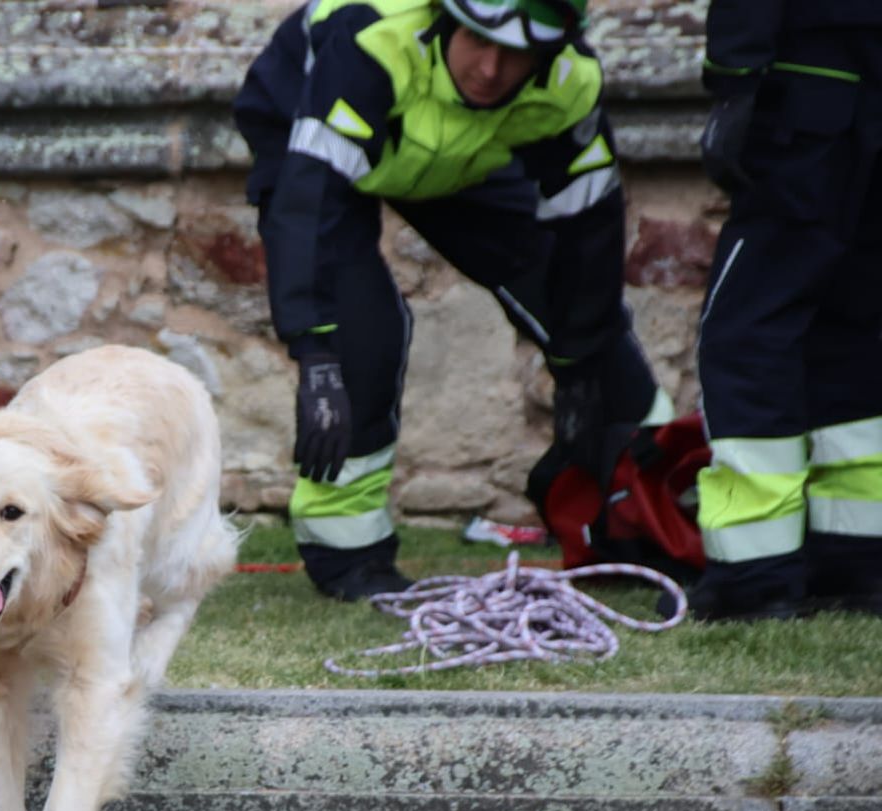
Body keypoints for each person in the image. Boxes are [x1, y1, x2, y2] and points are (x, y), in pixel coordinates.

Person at [234, 0, 672, 601]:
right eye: (479, 40)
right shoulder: (372, 45)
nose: (491, 69)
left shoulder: (570, 81)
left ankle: (648, 523)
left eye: (516, 53)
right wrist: (315, 351)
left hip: (459, 152)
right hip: (313, 122)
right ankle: (347, 555)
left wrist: (579, 364)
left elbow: (588, 236)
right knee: (364, 335)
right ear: (444, 19)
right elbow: (310, 209)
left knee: (593, 336)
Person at [688, 0, 882, 620]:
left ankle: (754, 574)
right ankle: (855, 558)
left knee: (747, 327)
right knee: (853, 321)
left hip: (810, 86)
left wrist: (734, 76)